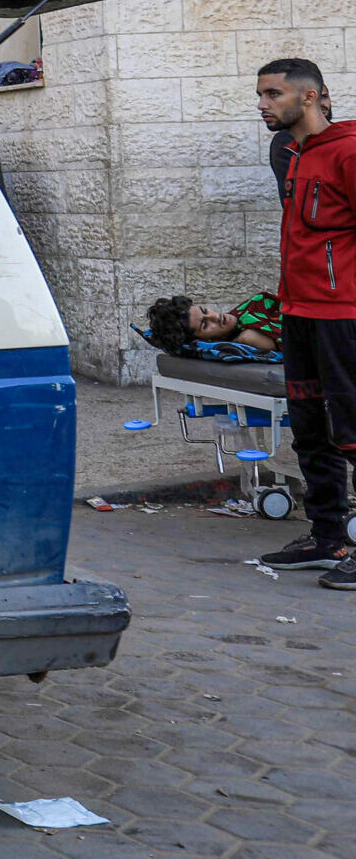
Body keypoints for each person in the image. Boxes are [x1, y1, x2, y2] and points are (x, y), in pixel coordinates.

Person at [259, 57, 356, 585]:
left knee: (353, 430)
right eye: (262, 94)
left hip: (343, 316)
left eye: (273, 94)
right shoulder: (294, 154)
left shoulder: (348, 151)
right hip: (298, 312)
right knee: (310, 429)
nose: (263, 104)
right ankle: (328, 539)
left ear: (312, 96)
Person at [144, 292, 282, 356]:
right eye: (205, 324)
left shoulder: (246, 310)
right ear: (205, 340)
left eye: (205, 311)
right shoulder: (248, 336)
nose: (215, 317)